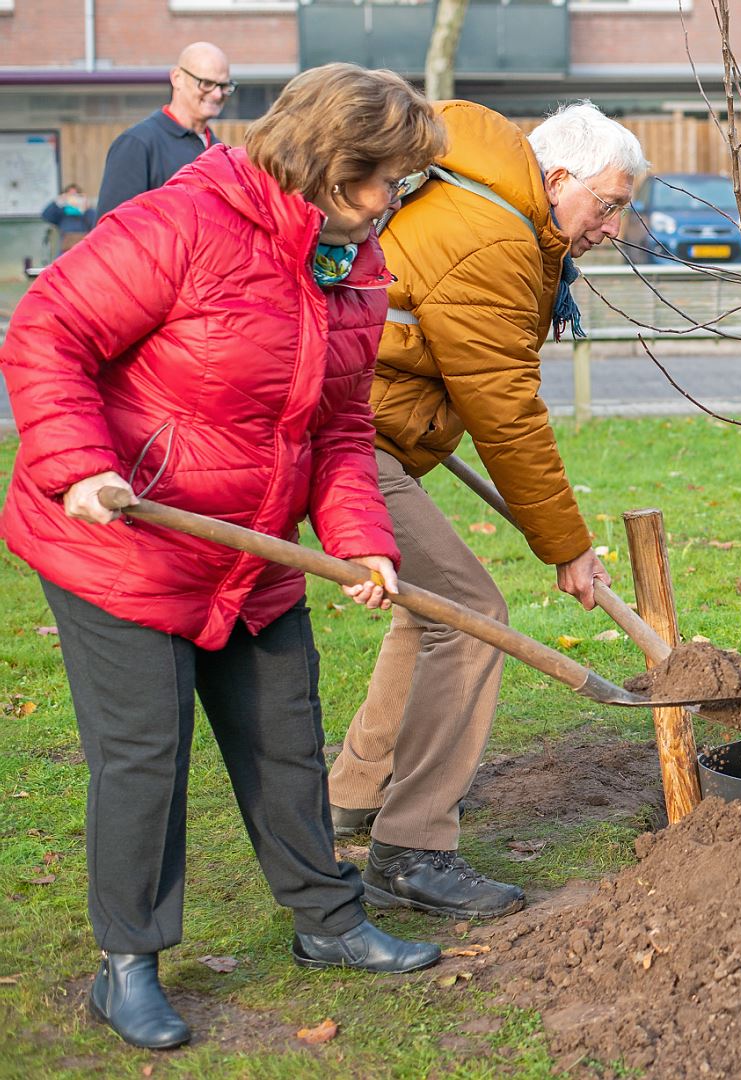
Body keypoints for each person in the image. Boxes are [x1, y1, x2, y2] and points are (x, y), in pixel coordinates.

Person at [0, 63, 449, 1051]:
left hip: (248, 554)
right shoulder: (184, 223)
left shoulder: (353, 263)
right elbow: (46, 332)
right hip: (122, 540)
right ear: (333, 164)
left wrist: (363, 543)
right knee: (144, 757)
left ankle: (328, 923)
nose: (394, 203)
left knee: (285, 736)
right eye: (386, 180)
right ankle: (128, 968)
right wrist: (78, 464)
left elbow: (337, 427)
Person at [325, 100, 648, 919]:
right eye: (608, 203)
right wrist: (567, 548)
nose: (612, 226)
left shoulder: (496, 208)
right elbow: (505, 409)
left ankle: (352, 794)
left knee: (428, 607)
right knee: (471, 613)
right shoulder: (494, 237)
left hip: (366, 425)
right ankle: (414, 846)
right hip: (344, 436)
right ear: (558, 178)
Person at [96, 42, 232, 218]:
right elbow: (112, 232)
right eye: (206, 83)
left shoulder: (219, 151)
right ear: (177, 78)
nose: (217, 94)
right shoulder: (137, 144)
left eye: (223, 86)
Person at [41, 183, 96, 251]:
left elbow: (95, 222)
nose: (73, 199)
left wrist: (88, 207)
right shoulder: (62, 212)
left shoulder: (86, 211)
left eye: (76, 195)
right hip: (65, 248)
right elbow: (46, 216)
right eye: (70, 196)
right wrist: (56, 202)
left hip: (84, 248)